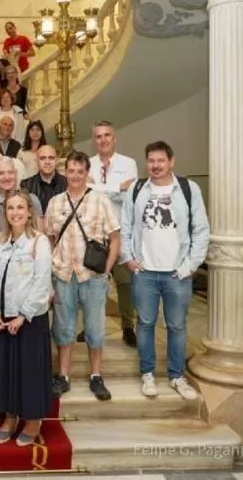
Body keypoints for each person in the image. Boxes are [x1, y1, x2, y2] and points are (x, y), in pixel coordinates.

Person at [121, 141, 209, 401]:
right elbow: (125, 227)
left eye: (161, 160)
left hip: (177, 273)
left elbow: (201, 230)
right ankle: (147, 373)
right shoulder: (137, 189)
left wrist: (190, 265)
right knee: (145, 324)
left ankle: (176, 375)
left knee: (177, 326)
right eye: (151, 160)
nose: (156, 165)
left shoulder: (188, 189)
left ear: (171, 161)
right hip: (145, 272)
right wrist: (129, 259)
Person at [45, 151, 121, 401]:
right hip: (63, 274)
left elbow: (115, 237)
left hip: (92, 276)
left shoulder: (100, 200)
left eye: (80, 171)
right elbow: (49, 238)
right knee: (63, 327)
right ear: (65, 172)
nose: (75, 175)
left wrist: (106, 270)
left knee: (95, 329)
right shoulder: (55, 203)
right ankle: (63, 376)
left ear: (87, 173)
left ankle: (96, 376)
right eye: (71, 171)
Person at [0, 190, 52, 446]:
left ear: (29, 212)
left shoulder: (39, 242)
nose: (15, 212)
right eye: (10, 208)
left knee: (29, 371)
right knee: (5, 371)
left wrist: (23, 315)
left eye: (20, 207)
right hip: (2, 318)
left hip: (29, 320)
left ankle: (32, 420)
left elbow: (42, 281)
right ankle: (10, 417)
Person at [88, 120, 139, 347]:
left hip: (121, 231)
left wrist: (99, 189)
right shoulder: (88, 164)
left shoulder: (129, 163)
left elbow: (129, 196)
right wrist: (118, 188)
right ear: (94, 140)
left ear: (114, 138)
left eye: (107, 135)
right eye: (99, 136)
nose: (103, 139)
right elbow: (87, 195)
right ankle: (91, 326)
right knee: (93, 283)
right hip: (95, 234)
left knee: (125, 283)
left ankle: (128, 327)